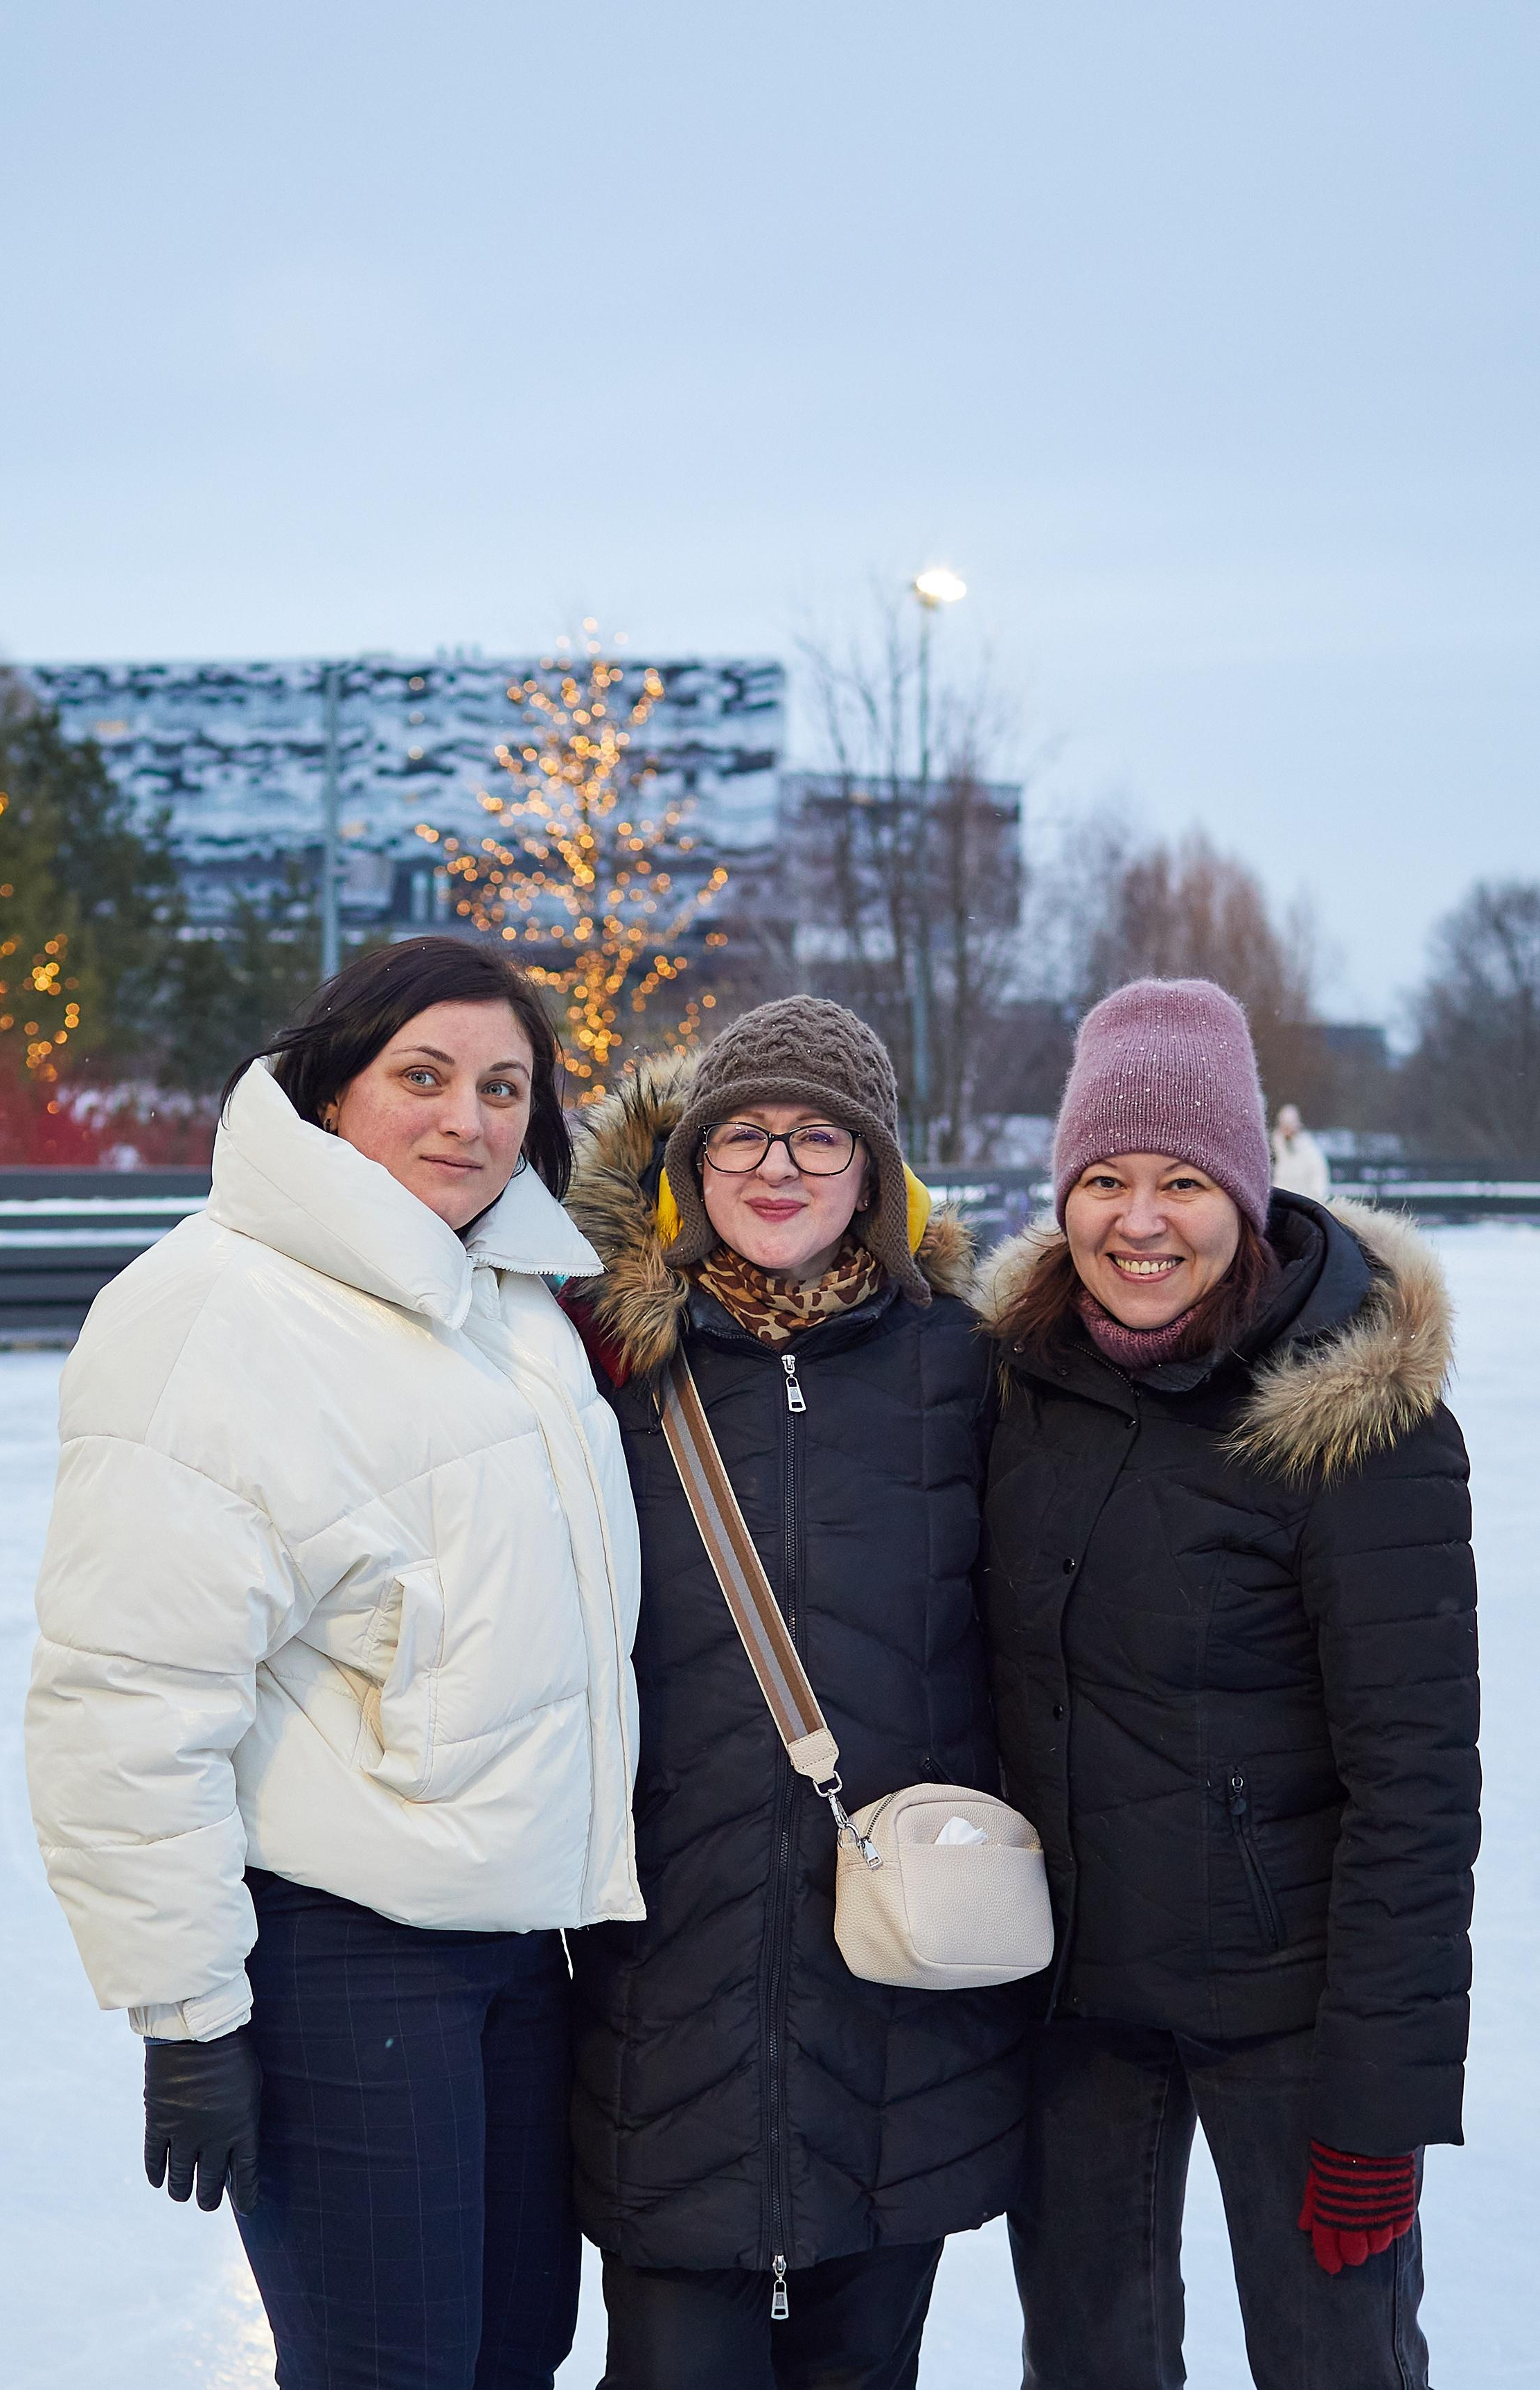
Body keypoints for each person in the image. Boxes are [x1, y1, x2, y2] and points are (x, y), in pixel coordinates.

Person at [26, 937, 644, 2390]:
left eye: (505, 1087)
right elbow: (126, 1703)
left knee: (509, 2355)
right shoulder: (214, 1313)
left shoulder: (507, 1303)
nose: (468, 1121)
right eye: (419, 1077)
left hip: (524, 1958)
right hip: (348, 1962)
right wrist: (187, 2016)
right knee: (391, 2370)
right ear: (325, 1091)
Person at [976, 978, 1478, 2390]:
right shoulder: (1020, 1389)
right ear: (1062, 1193)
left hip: (1291, 2021)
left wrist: (1377, 2105)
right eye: (1105, 1180)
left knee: (1336, 2364)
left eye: (1183, 1180)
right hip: (1076, 2012)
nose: (1139, 1222)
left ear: (1247, 1194)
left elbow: (1418, 1788)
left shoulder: (1357, 1424)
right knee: (1086, 2364)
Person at [563, 996, 1029, 2390]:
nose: (777, 1167)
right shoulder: (601, 1370)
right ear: (689, 1169)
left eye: (819, 1139)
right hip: (665, 1997)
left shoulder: (972, 1369)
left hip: (897, 1988)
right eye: (743, 1136)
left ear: (877, 1180)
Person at [1271, 1101, 1332, 1203]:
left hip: (1304, 1204)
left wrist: (1315, 1200)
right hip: (1279, 1204)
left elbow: (1319, 1176)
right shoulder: (1273, 1147)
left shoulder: (1309, 1148)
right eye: (1285, 1124)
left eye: (1290, 1124)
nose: (1288, 1129)